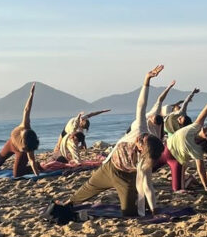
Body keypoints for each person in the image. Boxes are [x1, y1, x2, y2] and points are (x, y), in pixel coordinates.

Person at [63, 66, 166, 217]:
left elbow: (148, 186)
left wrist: (155, 211)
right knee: (89, 186)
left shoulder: (145, 162)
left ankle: (137, 203)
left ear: (143, 150)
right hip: (110, 167)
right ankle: (69, 202)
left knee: (129, 212)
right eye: (144, 137)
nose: (140, 138)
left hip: (126, 178)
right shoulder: (141, 129)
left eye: (142, 141)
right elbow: (141, 106)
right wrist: (147, 80)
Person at [0, 84, 42, 178]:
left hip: (20, 151)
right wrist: (31, 95)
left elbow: (31, 160)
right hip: (11, 143)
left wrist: (36, 174)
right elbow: (26, 110)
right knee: (0, 160)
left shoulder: (29, 147)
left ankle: (35, 167)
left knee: (17, 174)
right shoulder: (25, 125)